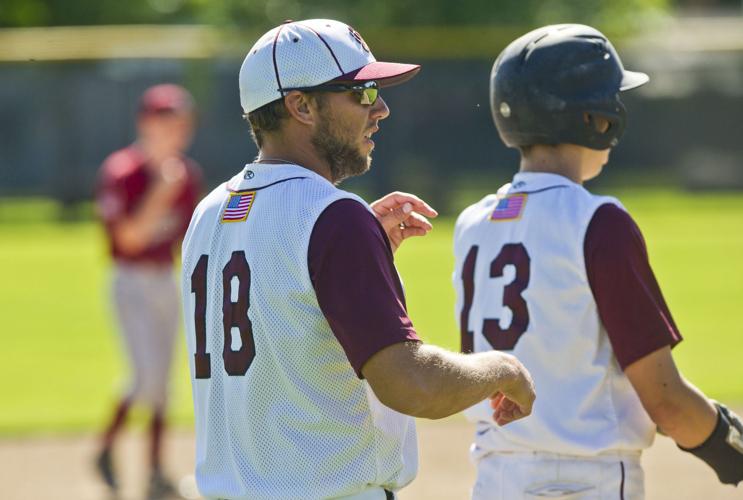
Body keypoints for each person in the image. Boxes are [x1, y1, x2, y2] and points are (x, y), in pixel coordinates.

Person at [180, 19, 535, 500]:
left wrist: (357, 256)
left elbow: (284, 320)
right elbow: (412, 385)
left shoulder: (211, 211)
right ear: (300, 106)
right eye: (362, 92)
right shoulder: (333, 218)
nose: (382, 108)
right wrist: (503, 368)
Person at [453, 24, 743, 499]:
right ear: (597, 119)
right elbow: (665, 400)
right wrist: (726, 444)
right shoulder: (598, 221)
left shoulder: (473, 222)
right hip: (588, 482)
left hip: (496, 480)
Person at [95, 83, 203, 499]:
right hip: (130, 281)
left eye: (180, 121)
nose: (174, 129)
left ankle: (156, 472)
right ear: (145, 123)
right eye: (164, 120)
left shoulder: (186, 174)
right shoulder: (123, 171)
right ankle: (106, 448)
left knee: (163, 384)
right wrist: (163, 190)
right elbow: (129, 239)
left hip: (164, 280)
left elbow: (188, 241)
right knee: (144, 381)